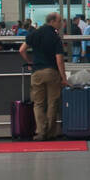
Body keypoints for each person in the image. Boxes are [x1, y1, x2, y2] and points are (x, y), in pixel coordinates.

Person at [18, 11, 67, 142]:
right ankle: (50, 133)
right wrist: (64, 78)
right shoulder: (55, 37)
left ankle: (40, 132)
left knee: (38, 104)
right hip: (51, 73)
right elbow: (59, 60)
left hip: (37, 73)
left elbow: (21, 50)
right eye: (59, 21)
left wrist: (30, 62)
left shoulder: (35, 33)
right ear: (52, 21)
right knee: (52, 103)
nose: (61, 23)